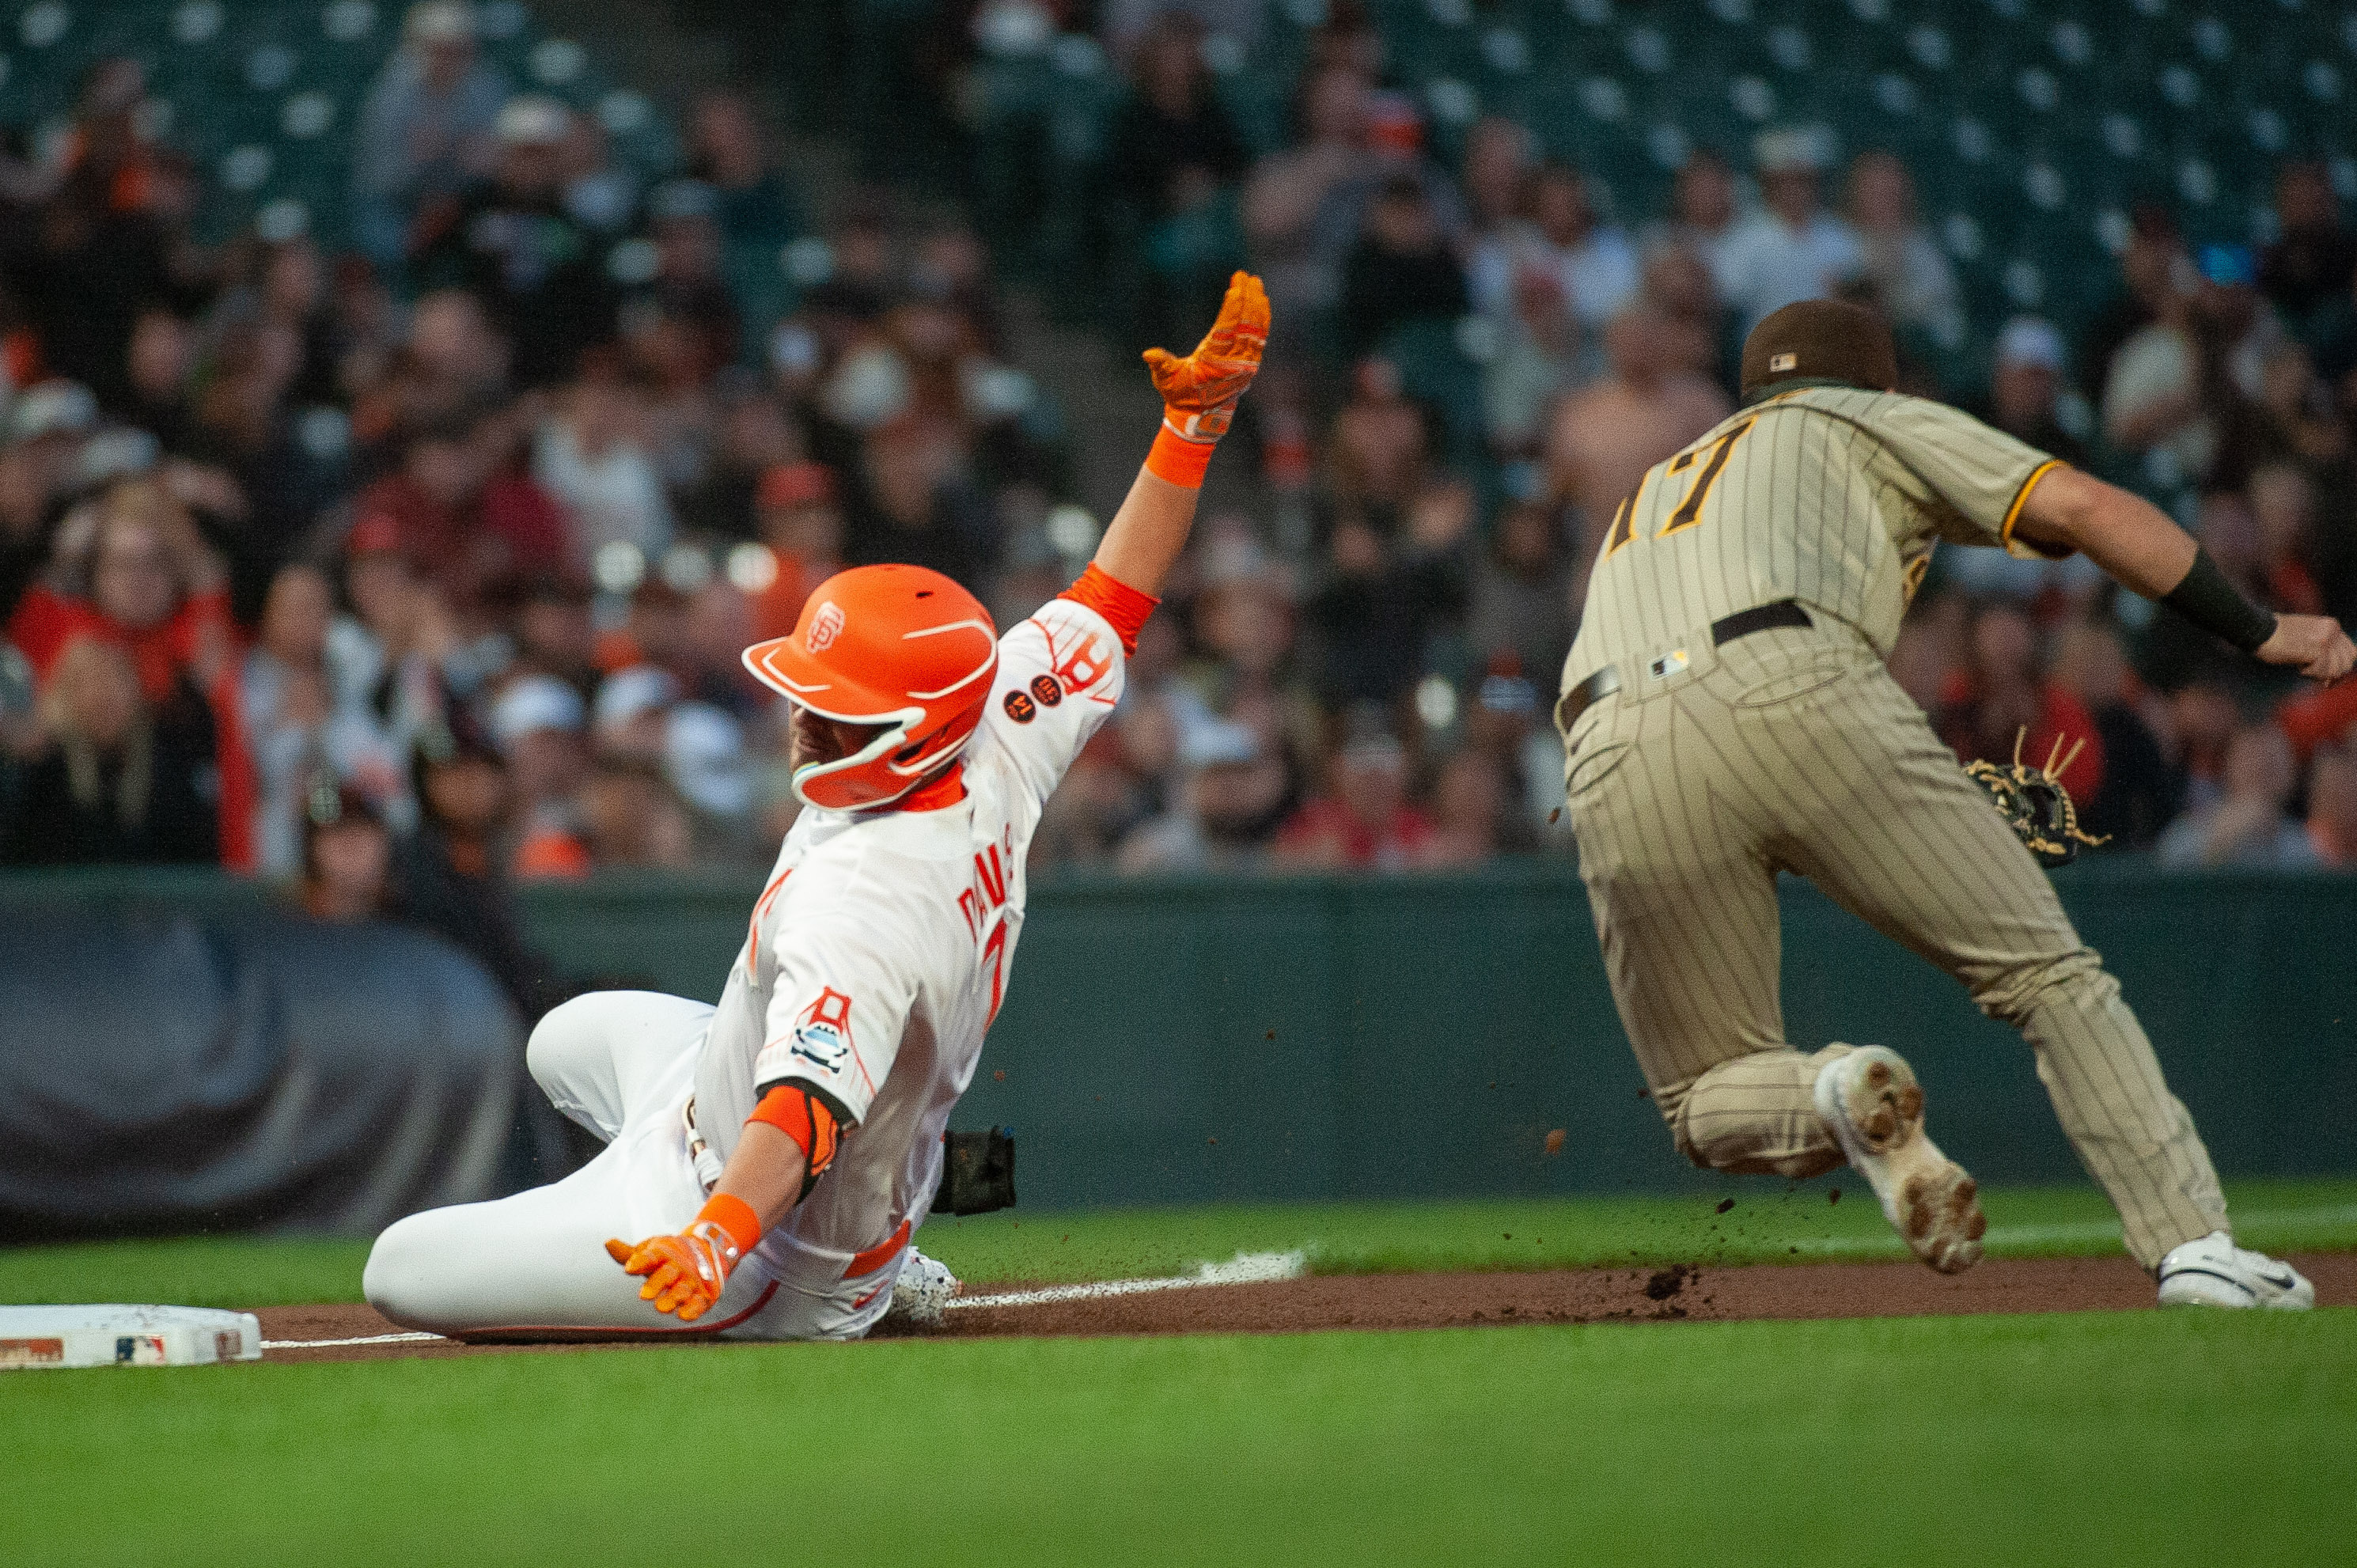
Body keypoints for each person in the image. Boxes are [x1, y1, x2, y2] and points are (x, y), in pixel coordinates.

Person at [362, 272, 1268, 1340]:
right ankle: (811, 1203)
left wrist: (713, 1235)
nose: (803, 721)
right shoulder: (995, 713)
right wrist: (1188, 430)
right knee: (561, 1037)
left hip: (768, 1241)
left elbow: (798, 1114)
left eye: (833, 712)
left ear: (914, 726)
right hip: (740, 1112)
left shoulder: (874, 893)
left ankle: (863, 1285)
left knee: (395, 1266)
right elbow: (1112, 597)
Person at [1554, 297, 2350, 1307]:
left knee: (1702, 1093)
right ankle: (2193, 1245)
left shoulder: (1652, 486)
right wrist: (2258, 629)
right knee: (2047, 977)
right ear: (1876, 380)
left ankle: (1831, 1092)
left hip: (1606, 737)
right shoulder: (1857, 415)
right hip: (1790, 679)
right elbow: (2087, 509)